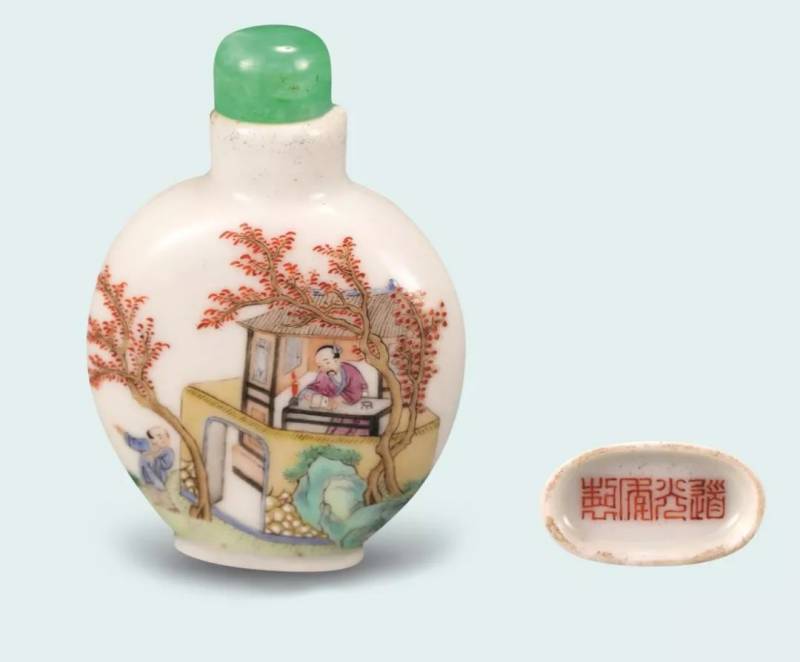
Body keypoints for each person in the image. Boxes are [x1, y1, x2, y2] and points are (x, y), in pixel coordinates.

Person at [297, 345, 369, 435]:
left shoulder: (350, 370)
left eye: (327, 363)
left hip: (354, 405)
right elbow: (317, 387)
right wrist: (311, 394)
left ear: (337, 360)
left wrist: (341, 398)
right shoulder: (323, 375)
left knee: (358, 423)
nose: (325, 367)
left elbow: (357, 388)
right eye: (320, 366)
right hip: (337, 409)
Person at [115, 424, 175, 491]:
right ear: (152, 440)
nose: (164, 439)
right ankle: (155, 484)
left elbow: (167, 465)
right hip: (147, 477)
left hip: (161, 477)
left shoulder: (168, 451)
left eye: (166, 436)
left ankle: (158, 484)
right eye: (159, 437)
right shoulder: (145, 444)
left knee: (147, 458)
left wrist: (155, 456)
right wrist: (124, 434)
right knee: (144, 458)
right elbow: (134, 442)